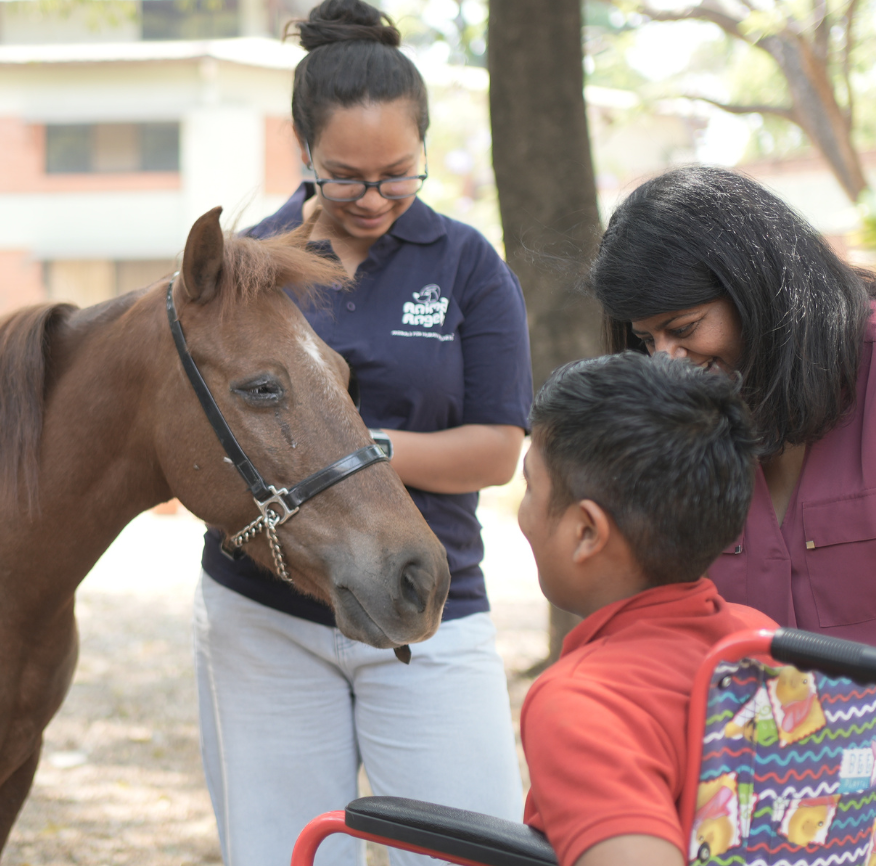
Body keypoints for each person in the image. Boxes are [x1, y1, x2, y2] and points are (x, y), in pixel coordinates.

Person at [192, 2, 532, 865]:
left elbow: (496, 449)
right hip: (265, 614)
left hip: (428, 610)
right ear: (302, 149)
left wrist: (355, 452)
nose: (374, 197)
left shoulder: (465, 263)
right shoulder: (242, 269)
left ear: (424, 150)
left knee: (471, 850)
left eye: (399, 173)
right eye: (345, 176)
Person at [590, 166, 876, 642]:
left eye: (683, 329)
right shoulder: (673, 423)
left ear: (754, 289)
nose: (666, 362)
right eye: (646, 339)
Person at [517, 351, 777, 866]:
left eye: (530, 486)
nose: (523, 514)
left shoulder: (583, 701)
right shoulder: (761, 638)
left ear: (586, 532)